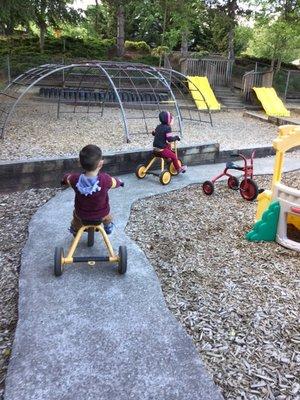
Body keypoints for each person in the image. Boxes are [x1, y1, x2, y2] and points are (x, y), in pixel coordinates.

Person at [61, 144, 124, 235]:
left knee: (75, 215)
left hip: (82, 214)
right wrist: (120, 182)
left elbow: (67, 178)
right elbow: (115, 182)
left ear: (79, 162)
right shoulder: (106, 179)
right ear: (100, 163)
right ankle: (107, 227)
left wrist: (64, 179)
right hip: (101, 215)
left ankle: (75, 228)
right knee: (108, 217)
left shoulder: (75, 179)